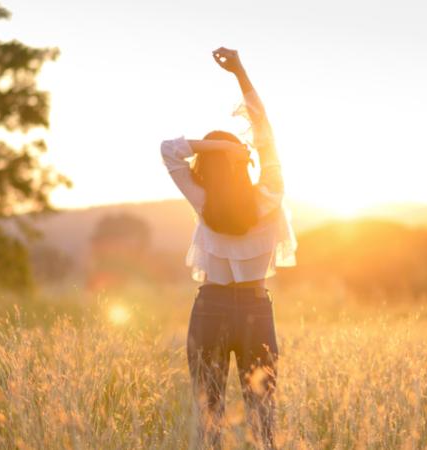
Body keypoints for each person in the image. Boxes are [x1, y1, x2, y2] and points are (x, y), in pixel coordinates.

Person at [160, 47, 297, 450]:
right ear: (244, 162)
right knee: (263, 422)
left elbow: (169, 149)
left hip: (209, 310)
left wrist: (218, 148)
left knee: (209, 420)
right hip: (256, 310)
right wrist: (240, 73)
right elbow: (265, 131)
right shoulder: (269, 194)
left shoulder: (202, 200)